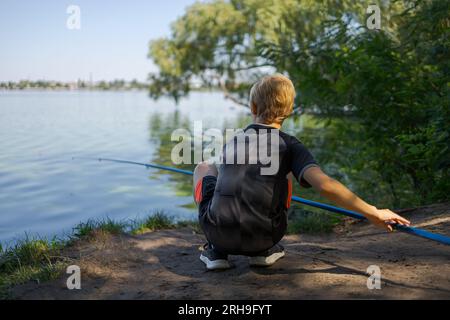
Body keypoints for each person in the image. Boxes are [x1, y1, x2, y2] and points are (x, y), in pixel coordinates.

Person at [193, 74, 410, 270]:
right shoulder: (291, 145)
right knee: (286, 173)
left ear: (253, 107)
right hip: (265, 236)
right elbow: (324, 185)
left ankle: (216, 251)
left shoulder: (233, 140)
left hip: (218, 233)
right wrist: (373, 212)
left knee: (204, 167)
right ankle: (261, 252)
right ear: (289, 110)